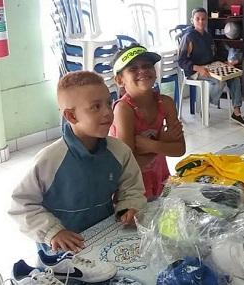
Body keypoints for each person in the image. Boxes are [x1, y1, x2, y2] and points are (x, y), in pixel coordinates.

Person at [9, 71, 146, 253]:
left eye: (108, 103)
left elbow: (132, 187)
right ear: (71, 116)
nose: (107, 112)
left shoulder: (119, 151)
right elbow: (21, 204)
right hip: (62, 249)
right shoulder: (49, 161)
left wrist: (129, 206)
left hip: (104, 237)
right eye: (96, 107)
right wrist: (53, 232)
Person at [110, 44, 186, 200]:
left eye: (147, 66)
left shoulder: (166, 103)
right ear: (119, 80)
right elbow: (130, 166)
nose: (142, 71)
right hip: (132, 187)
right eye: (133, 69)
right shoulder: (123, 109)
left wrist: (151, 145)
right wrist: (163, 142)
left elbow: (180, 149)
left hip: (160, 177)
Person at [178, 7, 244, 127]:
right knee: (219, 81)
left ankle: (237, 113)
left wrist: (225, 62)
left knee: (234, 78)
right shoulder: (189, 37)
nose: (201, 22)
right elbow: (181, 61)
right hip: (195, 71)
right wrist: (198, 68)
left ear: (207, 20)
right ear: (192, 20)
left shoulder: (207, 36)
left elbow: (214, 55)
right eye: (198, 19)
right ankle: (204, 105)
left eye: (203, 19)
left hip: (210, 67)